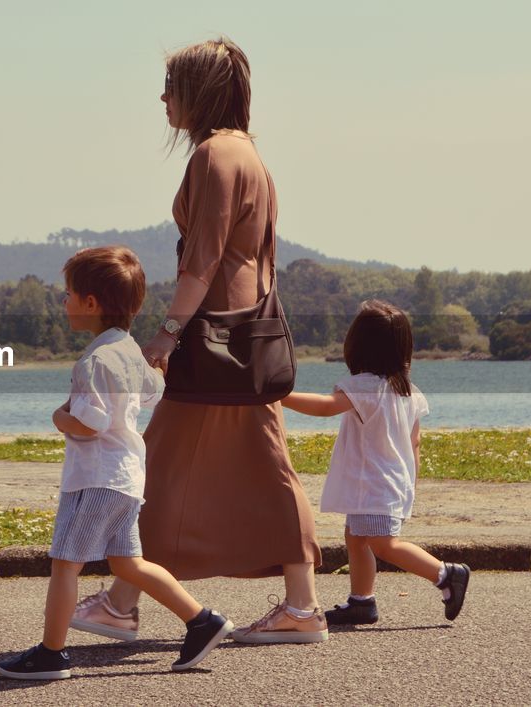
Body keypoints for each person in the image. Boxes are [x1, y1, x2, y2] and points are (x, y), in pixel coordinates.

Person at [71, 37, 327, 645]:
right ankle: (298, 606)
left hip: (214, 334)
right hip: (247, 332)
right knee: (257, 466)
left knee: (157, 465)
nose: (163, 98)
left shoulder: (214, 156)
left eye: (173, 87)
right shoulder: (250, 157)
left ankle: (123, 602)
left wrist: (165, 333)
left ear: (200, 93)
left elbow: (203, 262)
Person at [0, 246, 234, 680]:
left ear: (91, 303)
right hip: (126, 476)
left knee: (65, 563)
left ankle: (51, 653)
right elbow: (153, 392)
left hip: (95, 478)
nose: (64, 302)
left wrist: (60, 416)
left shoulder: (94, 360)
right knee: (128, 563)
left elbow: (90, 424)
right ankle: (203, 621)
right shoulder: (129, 351)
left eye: (68, 294)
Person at [280, 300, 470, 626]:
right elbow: (415, 442)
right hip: (389, 481)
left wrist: (280, 395)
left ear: (357, 345)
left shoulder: (364, 387)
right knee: (357, 537)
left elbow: (326, 406)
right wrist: (411, 482)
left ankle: (445, 574)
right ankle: (361, 601)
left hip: (373, 482)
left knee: (384, 544)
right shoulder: (408, 391)